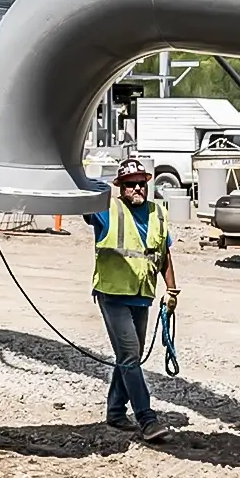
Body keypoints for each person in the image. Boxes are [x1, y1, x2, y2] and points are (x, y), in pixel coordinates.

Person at [86, 157, 179, 442]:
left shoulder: (157, 213)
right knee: (129, 356)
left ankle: (115, 412)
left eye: (141, 183)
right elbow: (82, 199)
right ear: (120, 188)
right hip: (112, 295)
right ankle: (147, 419)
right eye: (131, 185)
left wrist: (172, 290)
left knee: (131, 357)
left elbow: (163, 254)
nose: (138, 188)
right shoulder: (106, 210)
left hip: (142, 296)